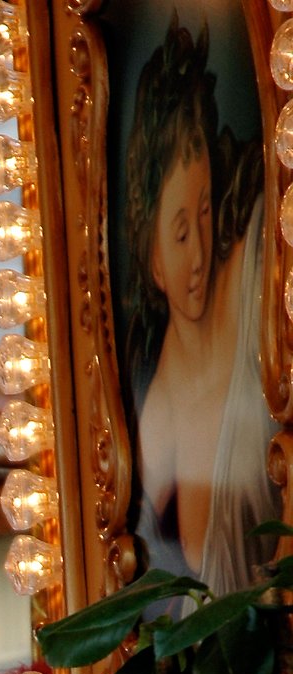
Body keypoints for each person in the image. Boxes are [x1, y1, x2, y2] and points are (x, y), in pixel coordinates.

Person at [125, 19, 278, 595]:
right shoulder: (154, 419)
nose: (198, 257)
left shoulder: (253, 277)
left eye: (207, 211)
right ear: (153, 258)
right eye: (181, 232)